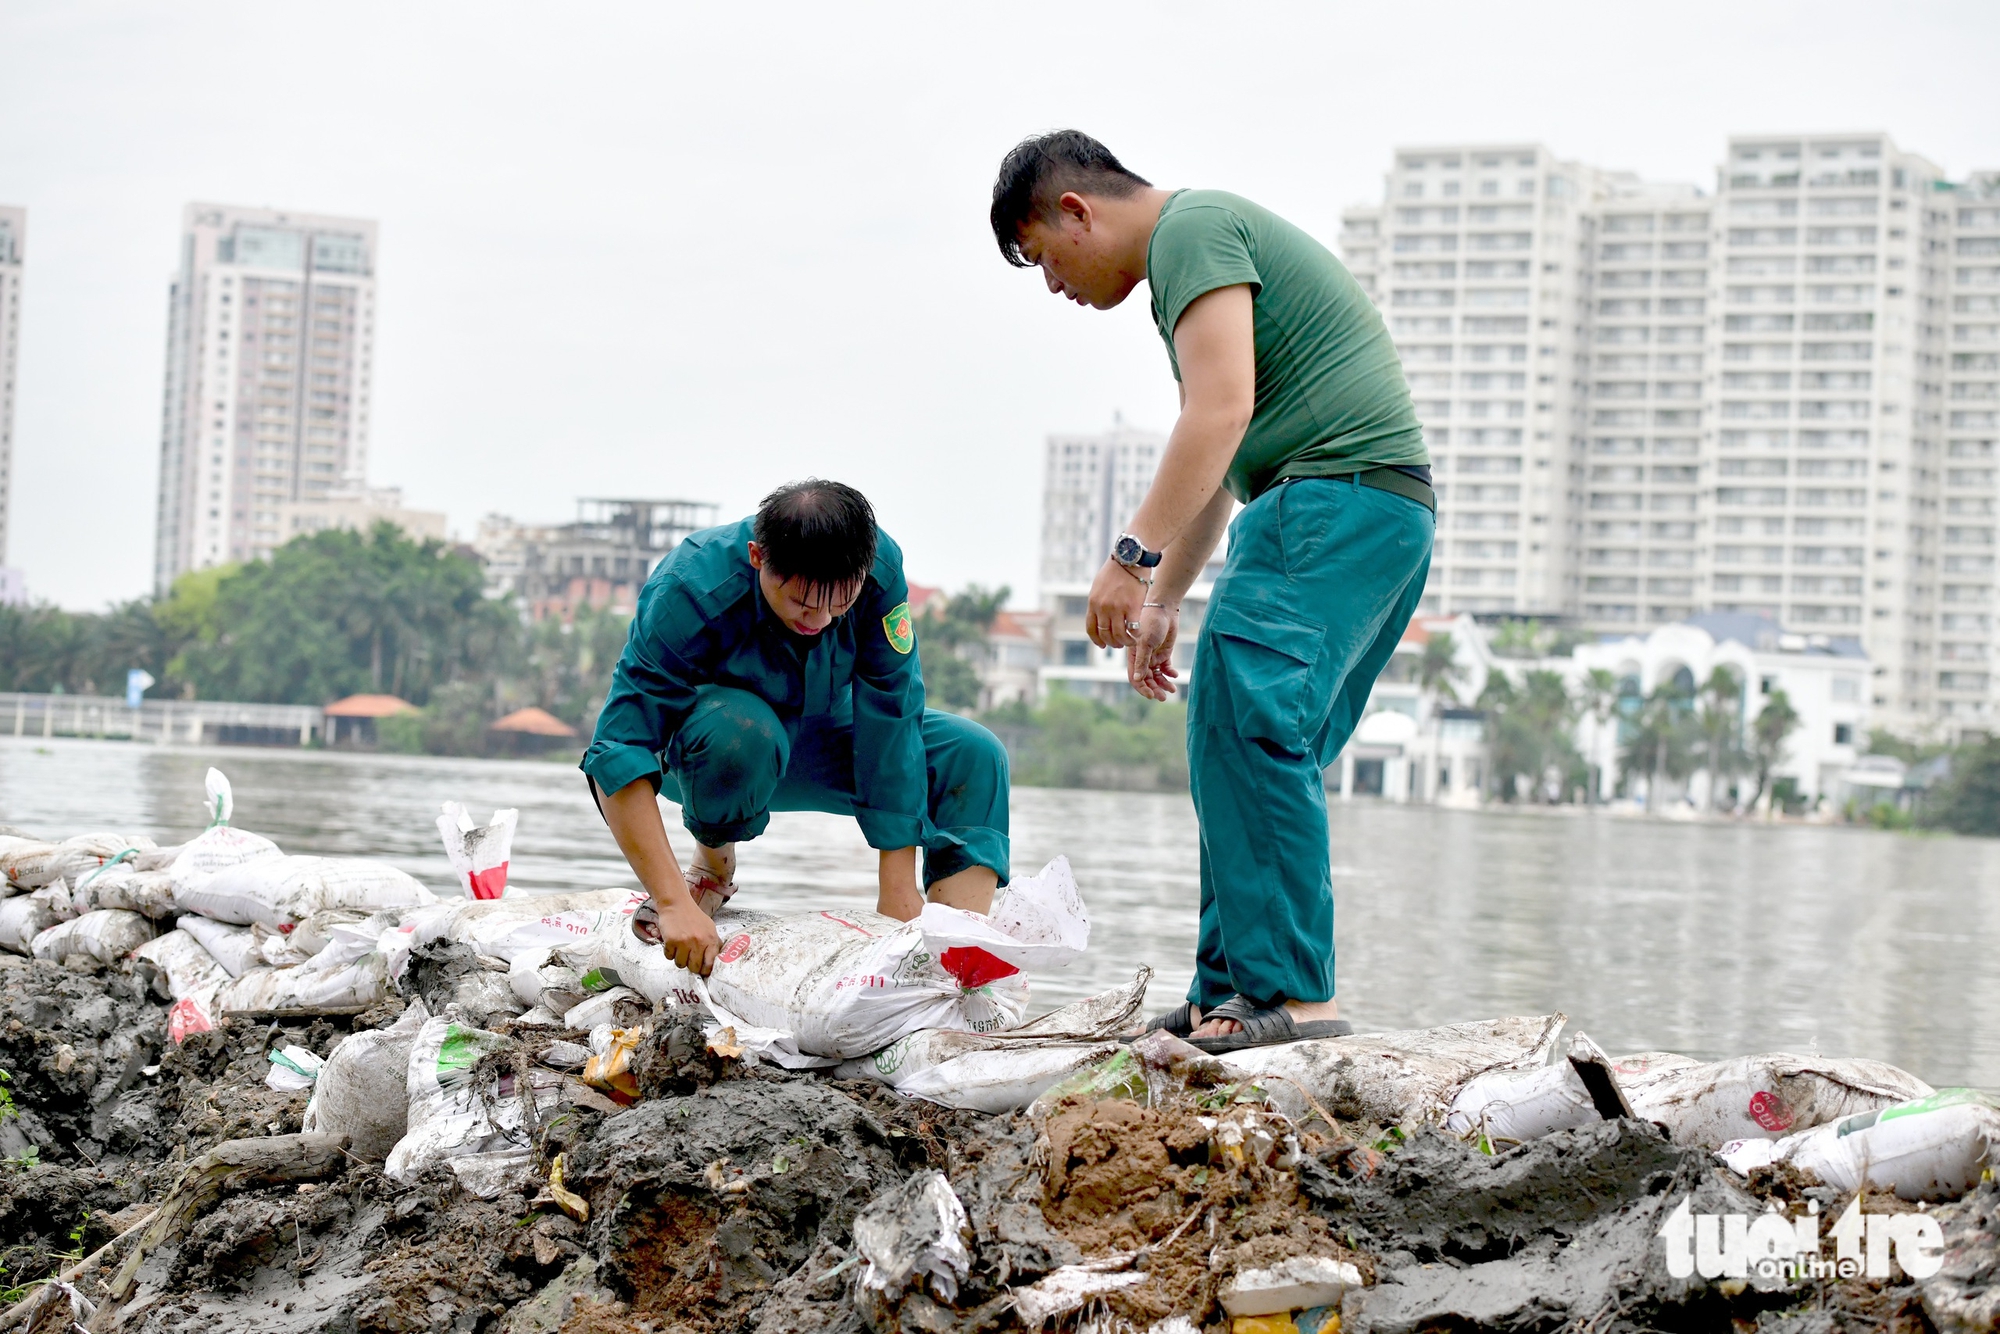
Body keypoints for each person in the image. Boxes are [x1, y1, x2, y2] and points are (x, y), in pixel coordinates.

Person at [990, 131, 1434, 1052]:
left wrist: (1129, 555)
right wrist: (1165, 600)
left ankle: (1293, 998)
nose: (1053, 286)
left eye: (1043, 258)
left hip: (1329, 502)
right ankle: (1227, 991)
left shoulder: (1192, 229)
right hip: (1355, 511)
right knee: (1239, 744)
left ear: (1077, 211)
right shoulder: (1190, 259)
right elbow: (1225, 454)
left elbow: (1218, 410)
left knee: (1253, 733)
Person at [582, 479, 1010, 976]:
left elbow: (892, 718)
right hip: (715, 750)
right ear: (758, 557)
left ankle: (951, 962)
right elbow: (616, 750)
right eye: (805, 605)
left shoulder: (879, 570)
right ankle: (711, 868)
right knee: (741, 733)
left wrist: (896, 893)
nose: (823, 620)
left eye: (840, 606)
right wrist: (672, 901)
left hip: (824, 736)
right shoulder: (689, 586)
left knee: (974, 752)